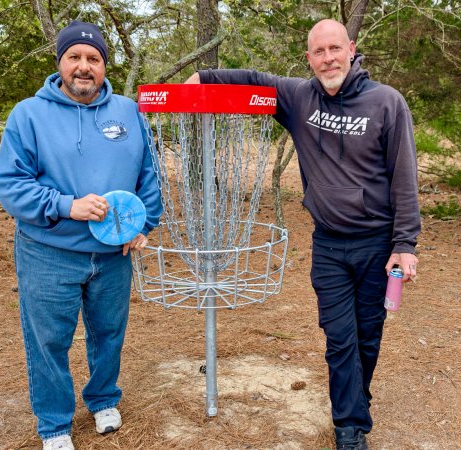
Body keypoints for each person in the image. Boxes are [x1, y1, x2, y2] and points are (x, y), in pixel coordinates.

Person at [187, 19, 420, 450]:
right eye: (319, 52)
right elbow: (253, 79)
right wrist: (203, 77)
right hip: (328, 244)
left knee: (367, 335)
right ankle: (350, 427)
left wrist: (404, 244)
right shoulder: (299, 97)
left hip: (376, 243)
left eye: (335, 49)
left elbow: (404, 177)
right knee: (339, 337)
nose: (328, 59)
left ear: (351, 49)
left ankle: (355, 401)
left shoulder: (387, 103)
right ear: (309, 57)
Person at [0, 20, 162, 450]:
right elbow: (11, 186)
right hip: (48, 252)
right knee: (49, 340)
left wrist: (143, 225)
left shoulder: (129, 112)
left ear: (104, 66)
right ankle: (54, 424)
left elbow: (149, 175)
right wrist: (66, 205)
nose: (84, 66)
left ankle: (104, 399)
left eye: (94, 58)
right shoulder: (28, 115)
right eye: (74, 57)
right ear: (60, 62)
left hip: (112, 254)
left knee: (109, 332)